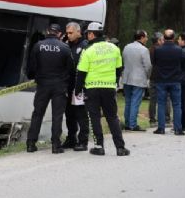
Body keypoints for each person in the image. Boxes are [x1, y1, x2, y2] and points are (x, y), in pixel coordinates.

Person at [74, 22, 129, 156]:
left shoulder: (88, 50)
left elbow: (81, 72)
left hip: (92, 88)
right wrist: (115, 83)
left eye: (87, 33)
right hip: (109, 88)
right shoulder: (114, 48)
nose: (87, 36)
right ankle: (120, 148)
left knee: (94, 118)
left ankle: (99, 147)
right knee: (112, 117)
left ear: (92, 34)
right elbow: (118, 69)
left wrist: (78, 90)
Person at [25, 24, 74, 154]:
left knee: (37, 114)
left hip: (42, 84)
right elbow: (71, 69)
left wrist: (34, 77)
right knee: (57, 115)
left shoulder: (38, 45)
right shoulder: (64, 48)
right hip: (59, 86)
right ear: (59, 34)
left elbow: (31, 67)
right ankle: (56, 145)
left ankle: (30, 143)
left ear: (48, 32)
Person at [151, 29, 185, 135]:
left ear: (164, 38)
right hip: (175, 80)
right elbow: (182, 64)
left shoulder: (158, 50)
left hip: (161, 80)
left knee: (161, 104)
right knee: (177, 104)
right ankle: (178, 128)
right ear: (174, 38)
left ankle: (161, 128)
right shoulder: (179, 50)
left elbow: (154, 63)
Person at [62, 22, 89, 151]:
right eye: (67, 33)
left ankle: (83, 140)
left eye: (71, 33)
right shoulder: (66, 45)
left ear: (78, 32)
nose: (68, 35)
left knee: (81, 114)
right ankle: (71, 138)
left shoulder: (85, 46)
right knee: (69, 113)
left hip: (80, 85)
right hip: (68, 84)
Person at [121, 30, 151, 131]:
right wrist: (148, 77)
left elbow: (124, 60)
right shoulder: (144, 50)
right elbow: (148, 66)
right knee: (135, 102)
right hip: (139, 79)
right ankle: (133, 125)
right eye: (146, 37)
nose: (147, 39)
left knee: (128, 102)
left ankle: (128, 123)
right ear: (142, 37)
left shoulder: (126, 47)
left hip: (127, 78)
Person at [148, 32, 171, 125]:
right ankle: (167, 119)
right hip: (163, 77)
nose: (164, 41)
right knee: (166, 98)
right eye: (162, 39)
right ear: (159, 40)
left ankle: (152, 120)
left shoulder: (148, 50)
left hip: (153, 77)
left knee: (153, 99)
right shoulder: (164, 50)